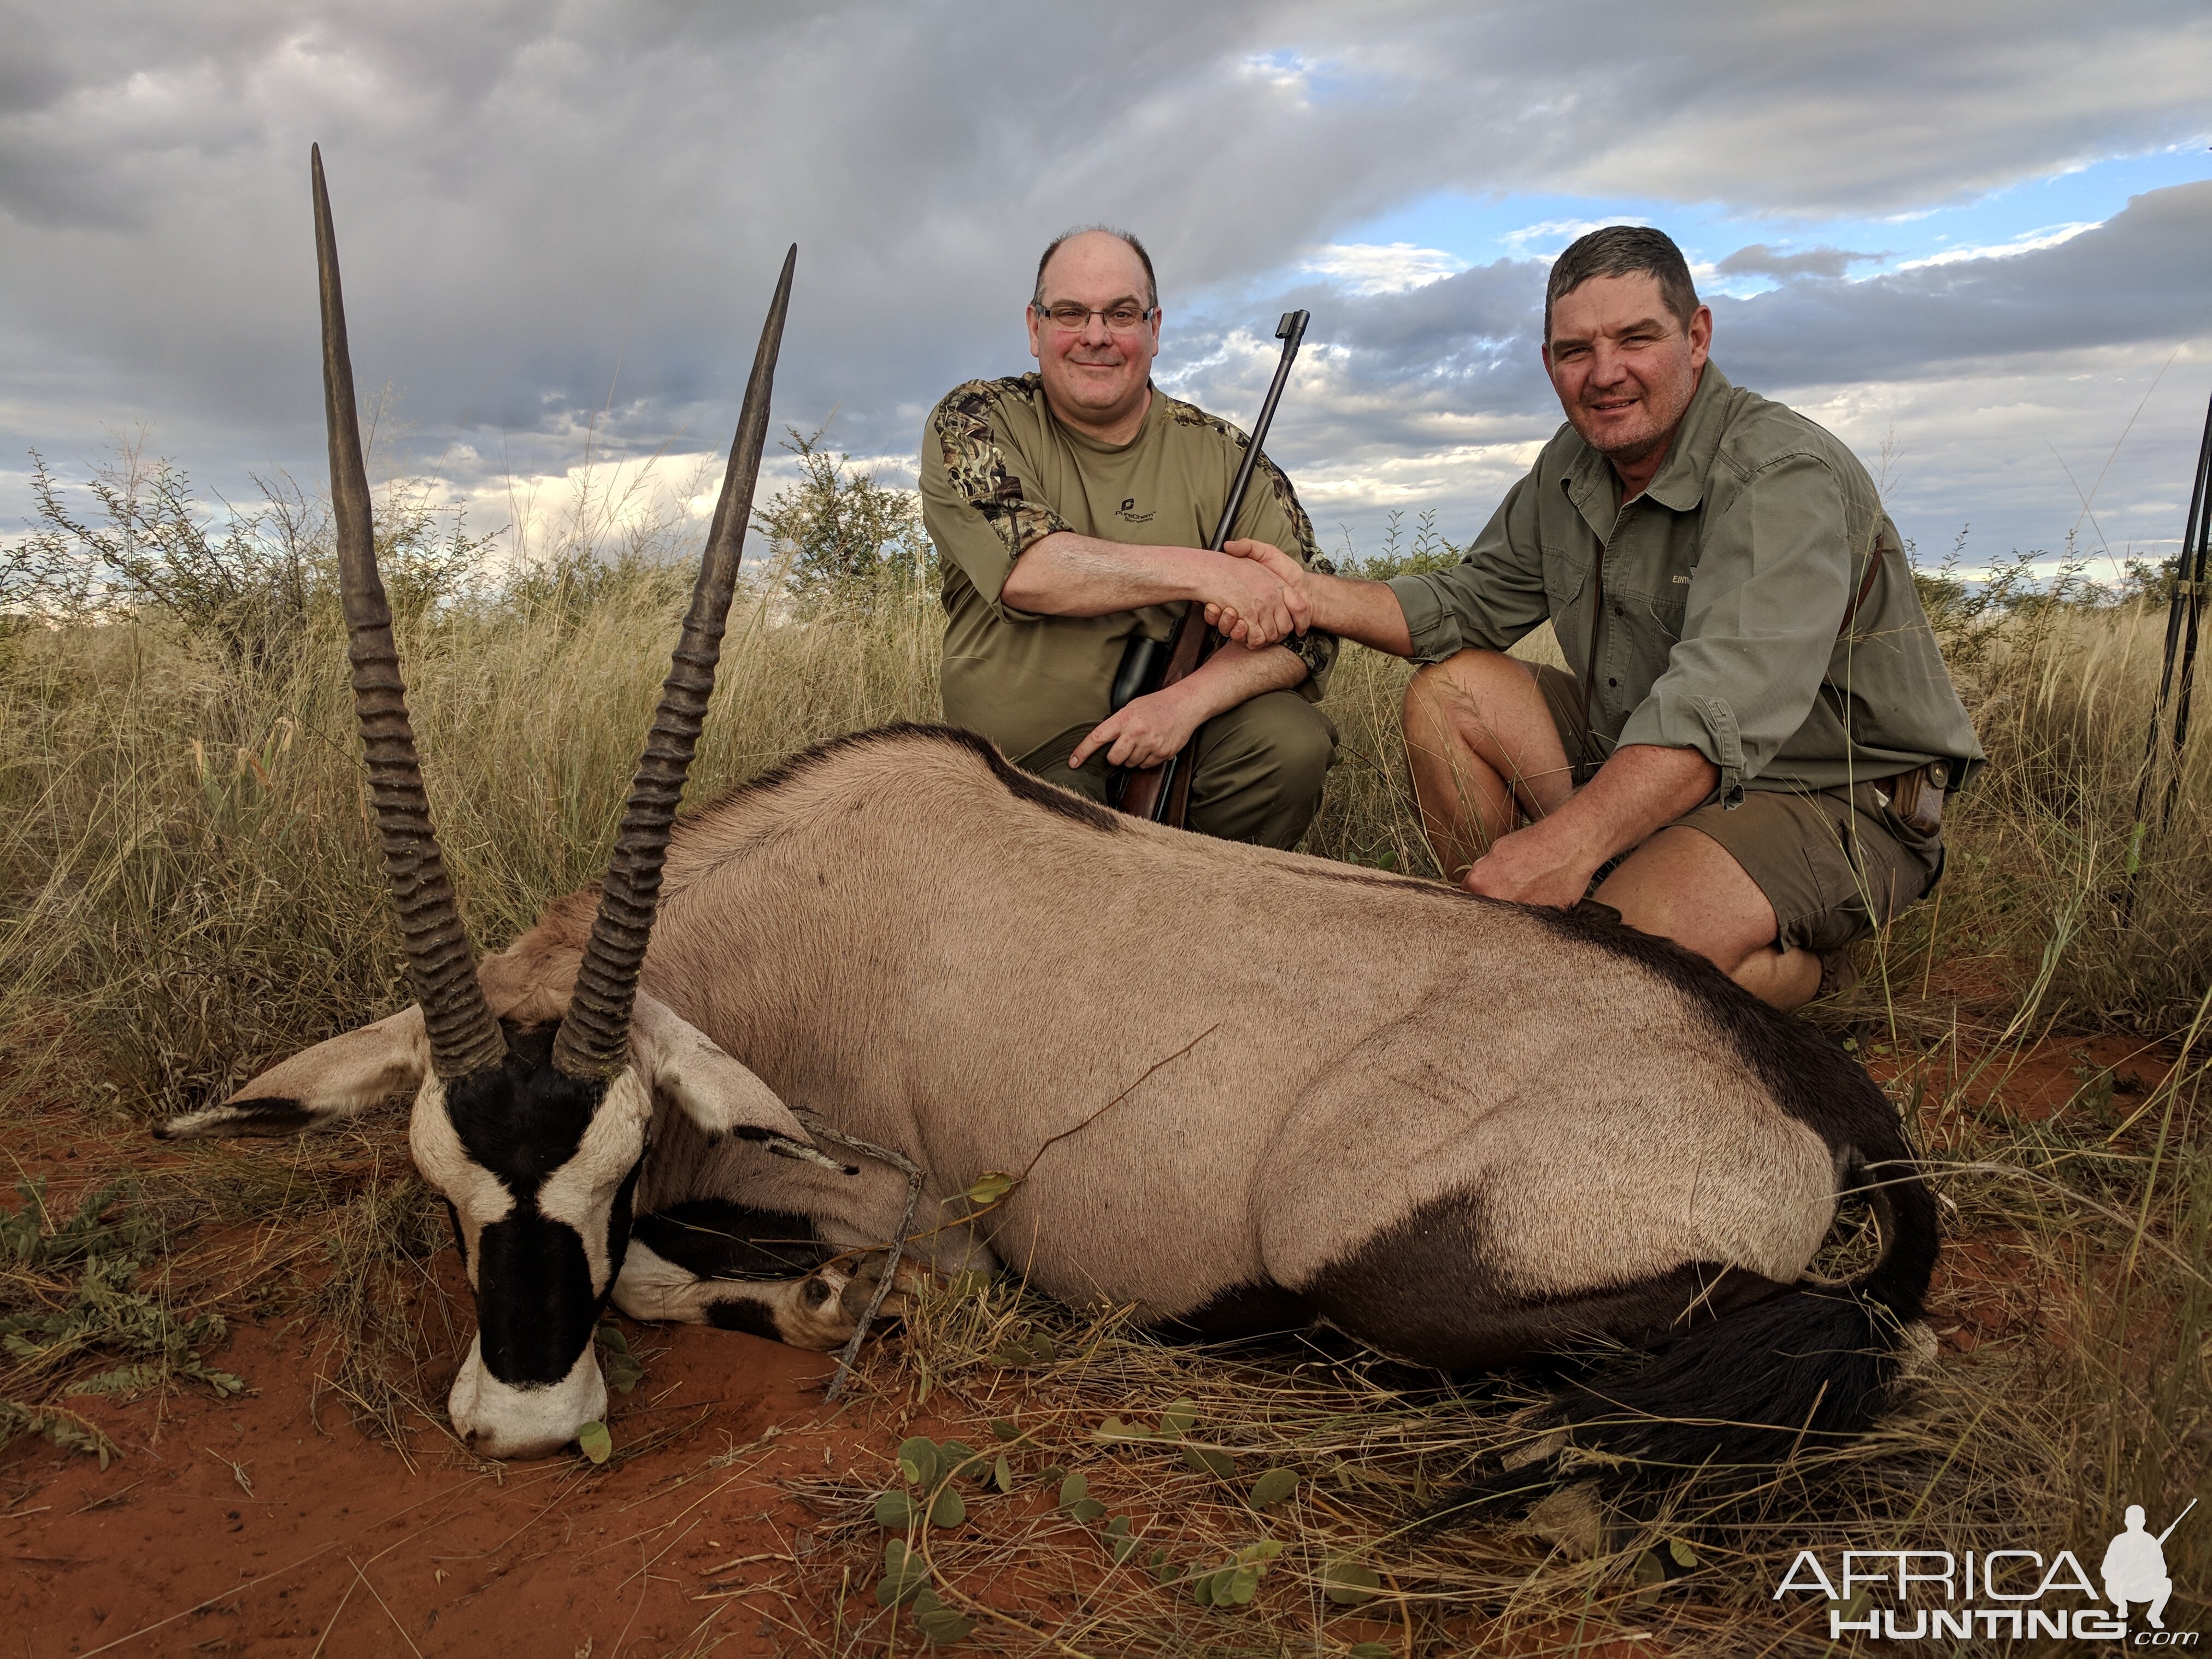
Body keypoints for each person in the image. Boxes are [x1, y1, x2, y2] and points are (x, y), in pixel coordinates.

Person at [1207, 226, 1982, 1008]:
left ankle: (1806, 971)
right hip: (1652, 758)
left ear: (1697, 336)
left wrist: (1564, 845)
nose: (1605, 374)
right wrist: (1303, 595)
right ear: (1549, 364)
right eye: (1576, 350)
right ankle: (1521, 936)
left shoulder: (1781, 471)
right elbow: (1471, 603)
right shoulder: (1573, 464)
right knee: (1452, 693)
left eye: (1636, 339)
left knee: (1623, 963)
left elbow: (1721, 703)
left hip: (1827, 792)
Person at [918, 226, 1337, 849]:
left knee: (1290, 742)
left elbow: (1315, 625)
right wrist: (1208, 572)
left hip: (1188, 734)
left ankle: (1222, 911)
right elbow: (1029, 571)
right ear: (1034, 329)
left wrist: (1185, 704)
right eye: (1069, 313)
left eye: (1120, 314)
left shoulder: (1227, 456)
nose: (1096, 336)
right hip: (1023, 764)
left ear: (1155, 329)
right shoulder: (976, 419)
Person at [2102, 1505, 2173, 1629]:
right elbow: (2106, 1571)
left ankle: (2154, 1615)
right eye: (2131, 1519)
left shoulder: (2151, 1543)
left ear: (2144, 1522)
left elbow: (2162, 1571)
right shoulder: (2118, 1541)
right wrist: (2122, 1573)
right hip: (2121, 1590)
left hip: (2144, 1589)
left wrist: (2148, 1572)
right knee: (2113, 1583)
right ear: (2125, 1521)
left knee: (2167, 1584)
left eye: (2138, 1520)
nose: (2134, 1523)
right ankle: (2122, 1608)